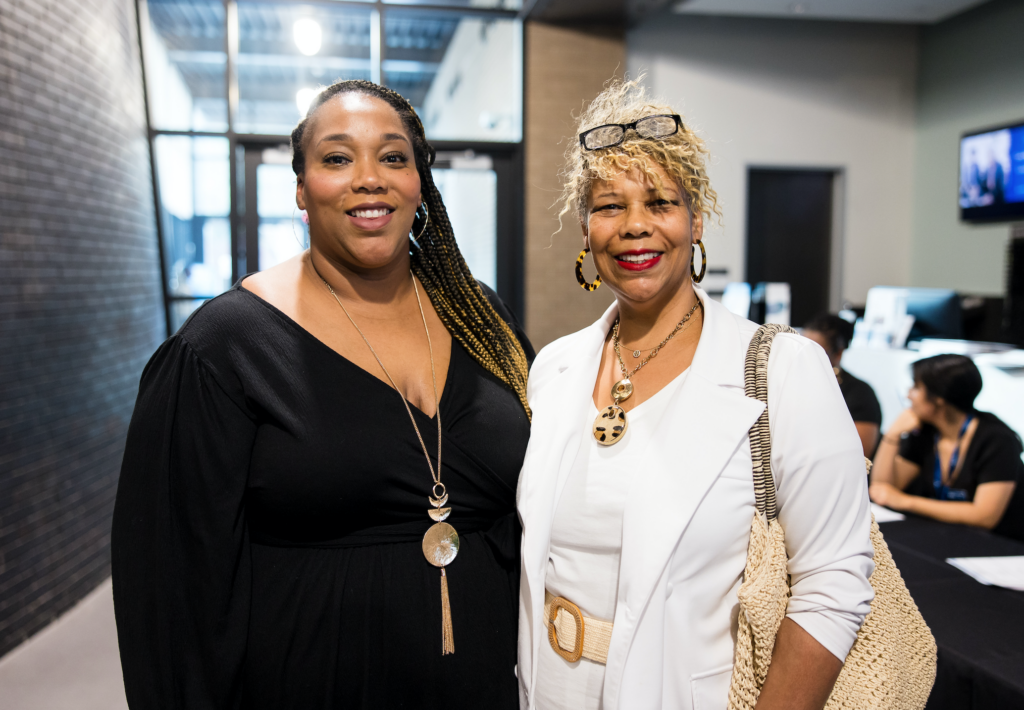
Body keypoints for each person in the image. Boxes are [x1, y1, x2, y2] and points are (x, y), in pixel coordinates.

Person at [112, 80, 533, 710]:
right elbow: (173, 592)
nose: (370, 178)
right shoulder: (225, 347)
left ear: (421, 183)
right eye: (338, 158)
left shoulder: (479, 317)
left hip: (489, 682)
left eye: (393, 157)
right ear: (302, 190)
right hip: (314, 680)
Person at [516, 79, 875, 710]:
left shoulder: (783, 370)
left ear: (696, 219)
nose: (634, 227)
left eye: (659, 203)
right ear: (584, 227)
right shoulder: (555, 368)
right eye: (608, 206)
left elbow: (834, 581)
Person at [869, 354, 1023, 540]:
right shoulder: (926, 433)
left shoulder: (997, 440)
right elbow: (883, 489)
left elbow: (985, 516)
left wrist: (905, 501)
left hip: (1000, 545)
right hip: (947, 535)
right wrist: (891, 436)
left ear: (939, 398)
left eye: (916, 387)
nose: (908, 394)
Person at [803, 313, 882, 457]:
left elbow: (860, 456)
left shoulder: (859, 393)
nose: (803, 357)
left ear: (838, 353)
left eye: (815, 352)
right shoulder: (790, 383)